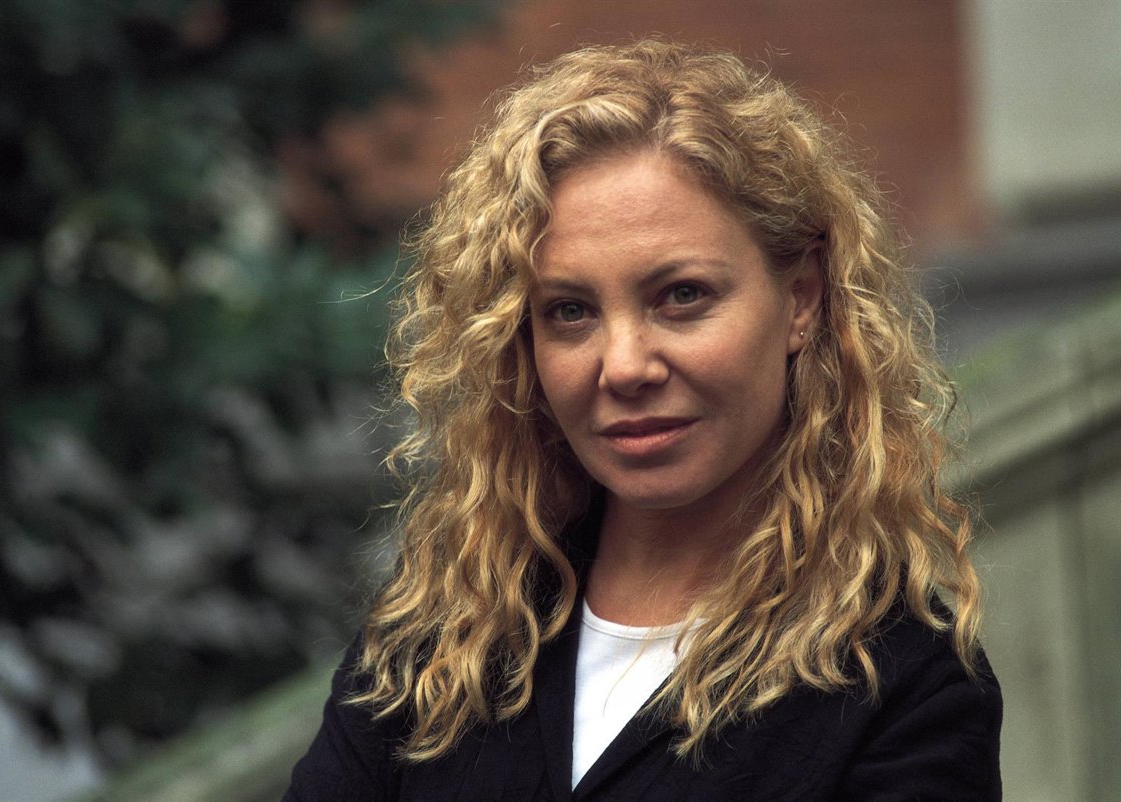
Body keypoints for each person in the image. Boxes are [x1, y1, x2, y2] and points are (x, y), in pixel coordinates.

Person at [284, 40, 1002, 801]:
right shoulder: (444, 637)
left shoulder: (902, 687)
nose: (623, 366)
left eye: (682, 296)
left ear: (801, 298)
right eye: (570, 311)